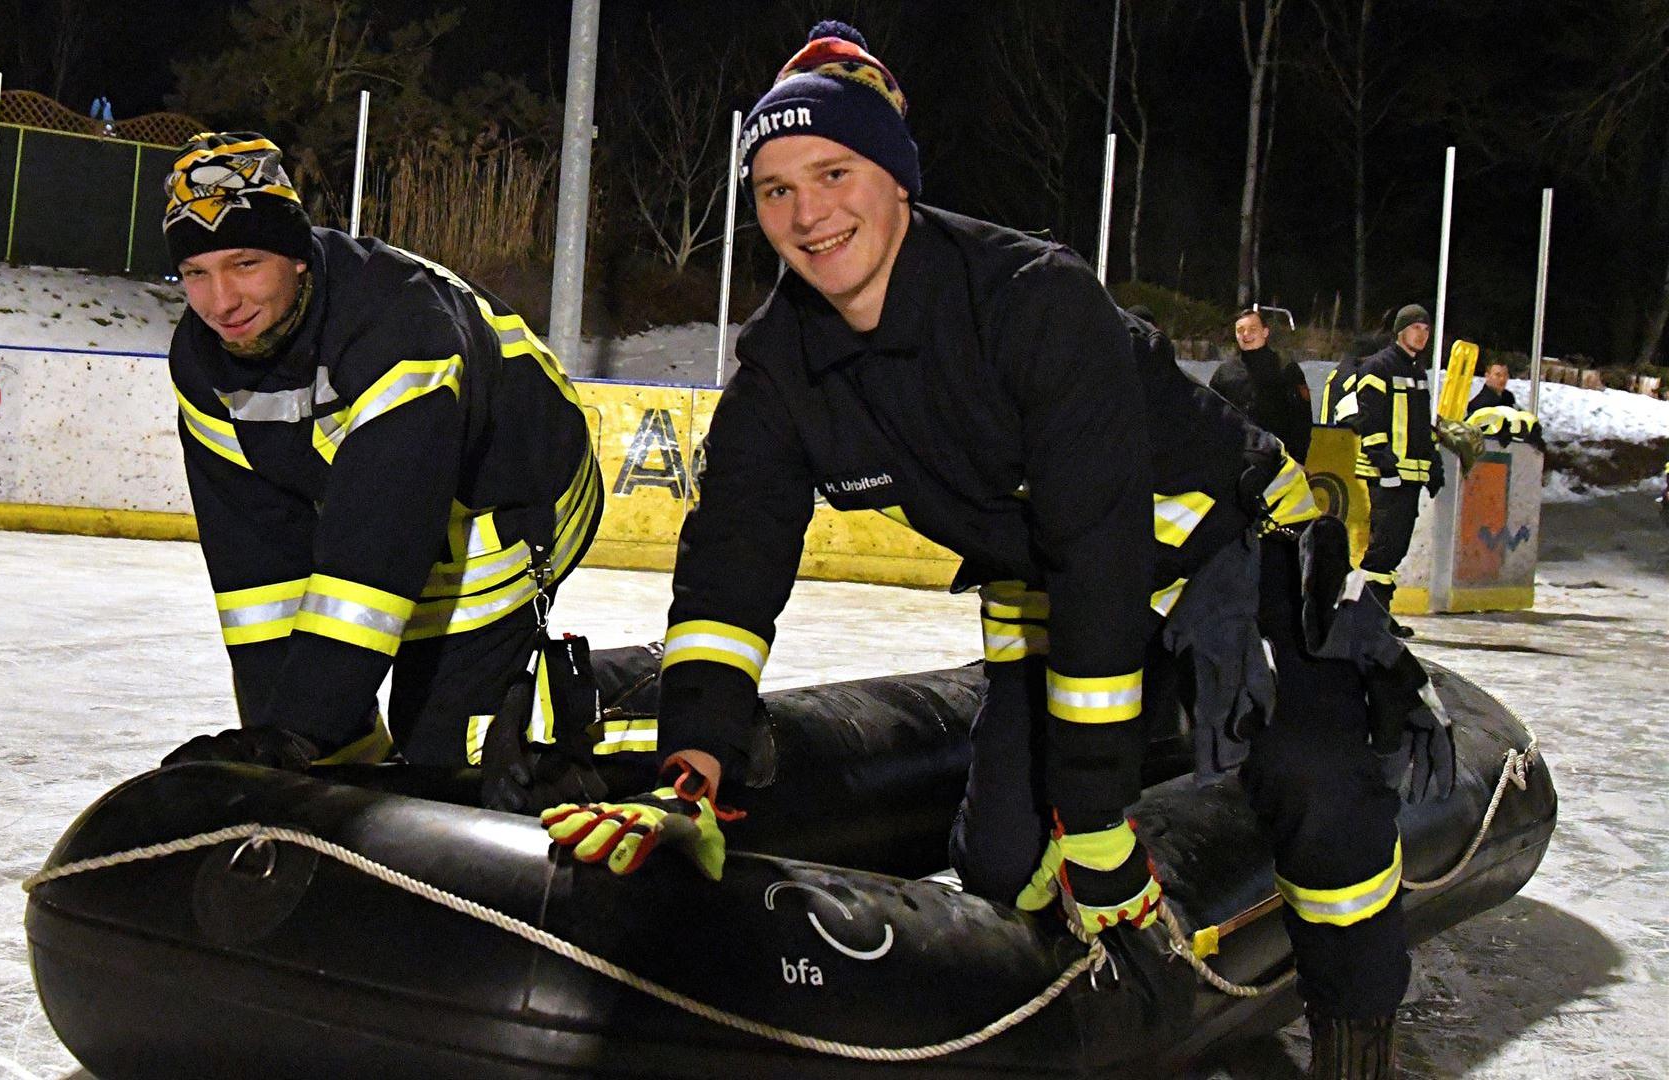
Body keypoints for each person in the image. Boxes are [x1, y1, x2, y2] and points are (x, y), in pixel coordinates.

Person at [540, 24, 1443, 1078]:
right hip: (1057, 586)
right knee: (1005, 856)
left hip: (1230, 551)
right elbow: (730, 569)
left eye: (833, 172)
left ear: (897, 179)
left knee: (1316, 784)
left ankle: (1353, 1032)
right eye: (775, 188)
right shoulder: (782, 368)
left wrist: (1100, 823)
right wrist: (692, 767)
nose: (807, 212)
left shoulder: (1032, 301)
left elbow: (1099, 553)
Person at [156, 132, 601, 775]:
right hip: (381, 511)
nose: (221, 303)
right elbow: (255, 565)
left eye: (245, 263)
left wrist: (306, 728)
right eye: (196, 273)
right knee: (316, 742)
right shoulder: (201, 365)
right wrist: (284, 739)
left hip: (507, 504)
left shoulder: (399, 323)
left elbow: (377, 545)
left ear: (299, 257)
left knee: (445, 759)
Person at [1352, 304, 1444, 632]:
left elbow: (1420, 427)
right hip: (1387, 475)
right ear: (1400, 331)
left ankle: (1375, 616)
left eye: (1426, 329)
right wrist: (1382, 461)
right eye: (1416, 327)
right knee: (1383, 549)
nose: (1422, 334)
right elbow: (1369, 418)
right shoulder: (1379, 367)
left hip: (1409, 476)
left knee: (1395, 549)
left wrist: (1434, 463)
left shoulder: (1417, 372)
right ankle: (1362, 618)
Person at [1211, 306, 1313, 461]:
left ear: (1265, 332)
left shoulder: (1286, 369)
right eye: (1240, 330)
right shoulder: (1224, 373)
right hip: (1234, 460)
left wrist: (1298, 459)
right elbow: (1211, 415)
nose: (1246, 334)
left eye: (1253, 329)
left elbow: (1301, 419)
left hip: (1277, 460)